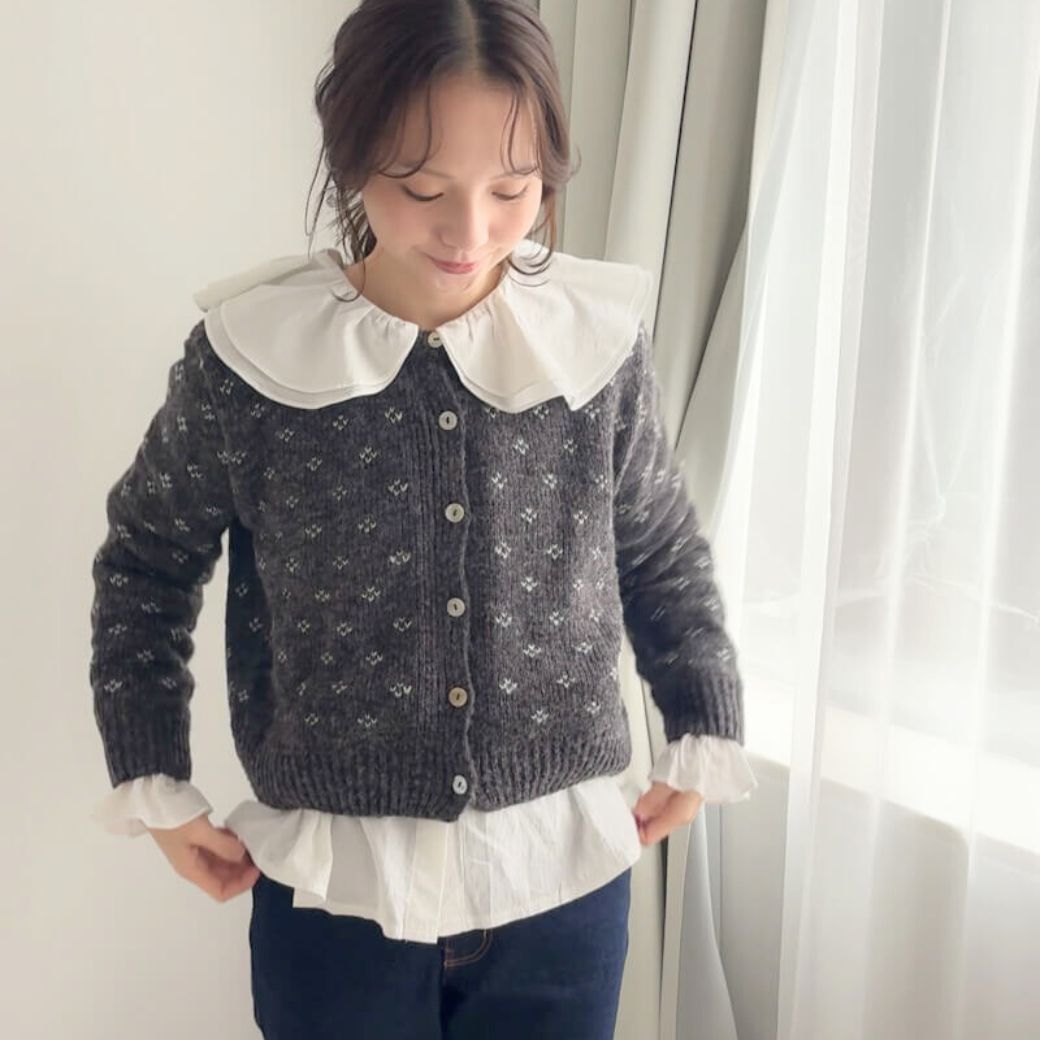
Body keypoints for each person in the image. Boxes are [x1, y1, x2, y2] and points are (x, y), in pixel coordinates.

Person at [88, 1, 757, 1036]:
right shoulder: (249, 359)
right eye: (422, 187)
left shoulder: (593, 348)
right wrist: (152, 778)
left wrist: (703, 718)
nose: (471, 231)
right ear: (352, 156)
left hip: (561, 888)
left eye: (513, 189)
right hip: (334, 900)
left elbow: (658, 546)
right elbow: (147, 558)